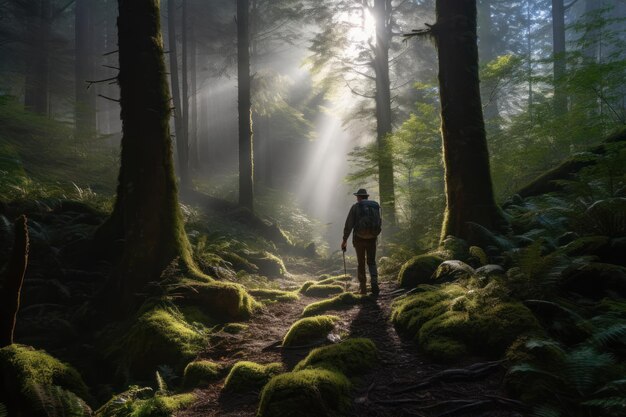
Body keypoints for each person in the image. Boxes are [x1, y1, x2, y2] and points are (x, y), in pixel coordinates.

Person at [341, 188, 381, 296]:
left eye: (357, 196)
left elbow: (349, 225)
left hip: (359, 239)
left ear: (359, 197)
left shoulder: (355, 207)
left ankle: (363, 289)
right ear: (366, 196)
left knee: (361, 262)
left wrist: (344, 240)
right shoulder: (374, 207)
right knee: (371, 261)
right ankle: (374, 284)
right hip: (372, 238)